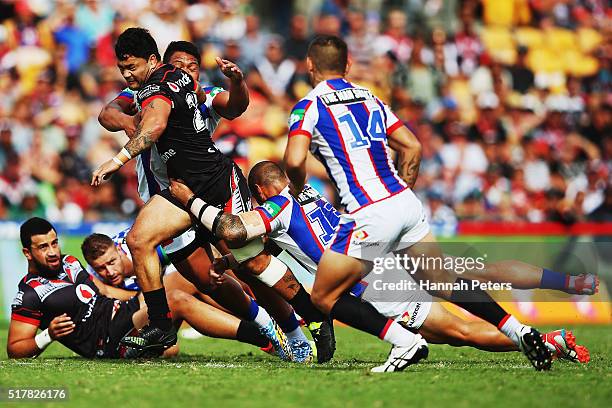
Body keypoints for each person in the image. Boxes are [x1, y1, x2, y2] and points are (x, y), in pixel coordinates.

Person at [282, 35, 552, 372]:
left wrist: (296, 186)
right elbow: (412, 147)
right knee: (442, 281)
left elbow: (294, 160)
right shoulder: (372, 98)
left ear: (309, 66)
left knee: (324, 296)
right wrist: (400, 197)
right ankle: (517, 328)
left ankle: (405, 341)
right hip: (404, 201)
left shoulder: (308, 105)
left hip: (369, 210)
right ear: (348, 65)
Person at [169, 162, 591, 364]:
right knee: (462, 299)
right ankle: (545, 322)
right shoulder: (312, 196)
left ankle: (544, 338)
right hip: (378, 258)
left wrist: (193, 203)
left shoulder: (274, 209)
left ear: (261, 189)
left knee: (458, 329)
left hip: (367, 281)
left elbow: (239, 235)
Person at [92, 30, 329, 362]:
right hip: (173, 193)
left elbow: (232, 108)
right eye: (179, 65)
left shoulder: (195, 92)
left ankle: (303, 321)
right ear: (162, 63)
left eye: (192, 66)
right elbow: (107, 114)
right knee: (197, 273)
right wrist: (131, 121)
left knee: (251, 265)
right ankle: (182, 325)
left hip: (212, 184)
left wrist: (237, 83)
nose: (186, 72)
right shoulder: (142, 90)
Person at [7, 218, 273, 360]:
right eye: (43, 247)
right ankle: (265, 337)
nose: (53, 252)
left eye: (54, 243)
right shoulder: (29, 293)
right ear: (27, 253)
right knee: (177, 299)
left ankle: (264, 316)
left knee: (187, 277)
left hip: (125, 312)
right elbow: (15, 347)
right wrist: (48, 336)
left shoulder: (70, 262)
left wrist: (146, 298)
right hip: (107, 340)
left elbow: (104, 292)